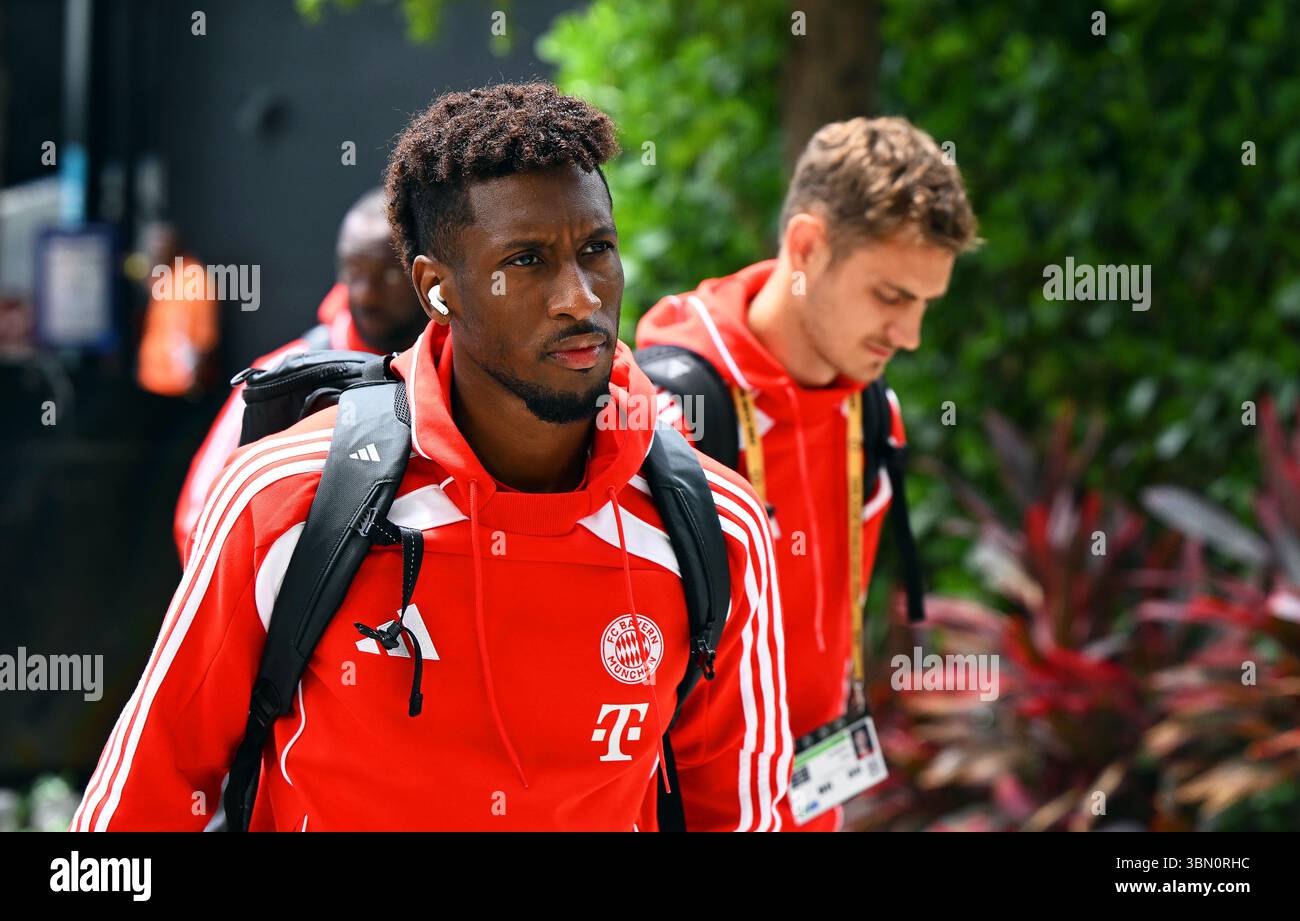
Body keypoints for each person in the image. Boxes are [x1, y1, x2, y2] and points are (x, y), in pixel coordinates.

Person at [71, 83, 791, 832]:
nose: (579, 297)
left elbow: (740, 814)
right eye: (528, 260)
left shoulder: (718, 525)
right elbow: (146, 794)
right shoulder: (286, 495)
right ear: (436, 289)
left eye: (596, 250)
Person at [636, 116, 978, 831]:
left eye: (925, 304)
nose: (909, 335)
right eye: (890, 295)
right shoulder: (676, 410)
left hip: (817, 792)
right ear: (806, 247)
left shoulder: (874, 409)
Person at [171, 189, 430, 560]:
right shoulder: (282, 376)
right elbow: (199, 519)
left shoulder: (459, 371)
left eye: (387, 274)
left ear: (423, 273)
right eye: (352, 273)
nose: (365, 294)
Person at [135, 222, 220, 399]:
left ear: (174, 245)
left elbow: (205, 337)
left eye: (159, 244)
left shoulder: (193, 278)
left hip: (179, 386)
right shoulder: (166, 275)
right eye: (151, 245)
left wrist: (194, 381)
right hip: (155, 380)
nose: (155, 250)